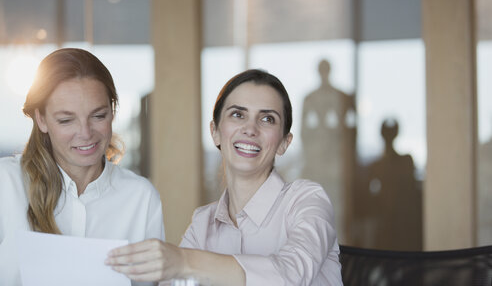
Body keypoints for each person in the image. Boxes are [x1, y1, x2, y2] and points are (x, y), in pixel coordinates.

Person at [107, 69, 343, 285]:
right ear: (215, 132)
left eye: (267, 118)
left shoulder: (307, 201)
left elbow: (290, 275)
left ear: (284, 143)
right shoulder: (203, 224)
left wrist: (185, 262)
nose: (250, 129)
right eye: (238, 114)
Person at [0, 48, 165, 286]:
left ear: (112, 112)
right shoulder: (6, 183)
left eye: (98, 116)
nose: (86, 134)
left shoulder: (141, 197)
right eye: (66, 120)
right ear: (42, 120)